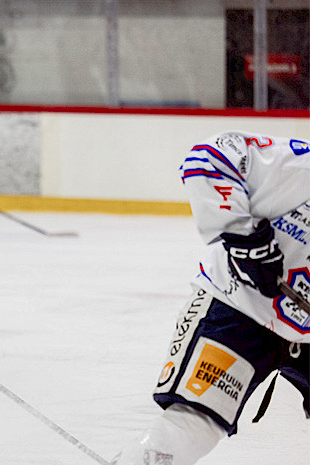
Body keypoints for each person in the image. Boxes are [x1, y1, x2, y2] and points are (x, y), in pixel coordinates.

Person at [113, 131, 310, 465]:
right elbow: (208, 158)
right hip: (237, 307)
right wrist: (246, 241)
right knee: (193, 428)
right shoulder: (297, 167)